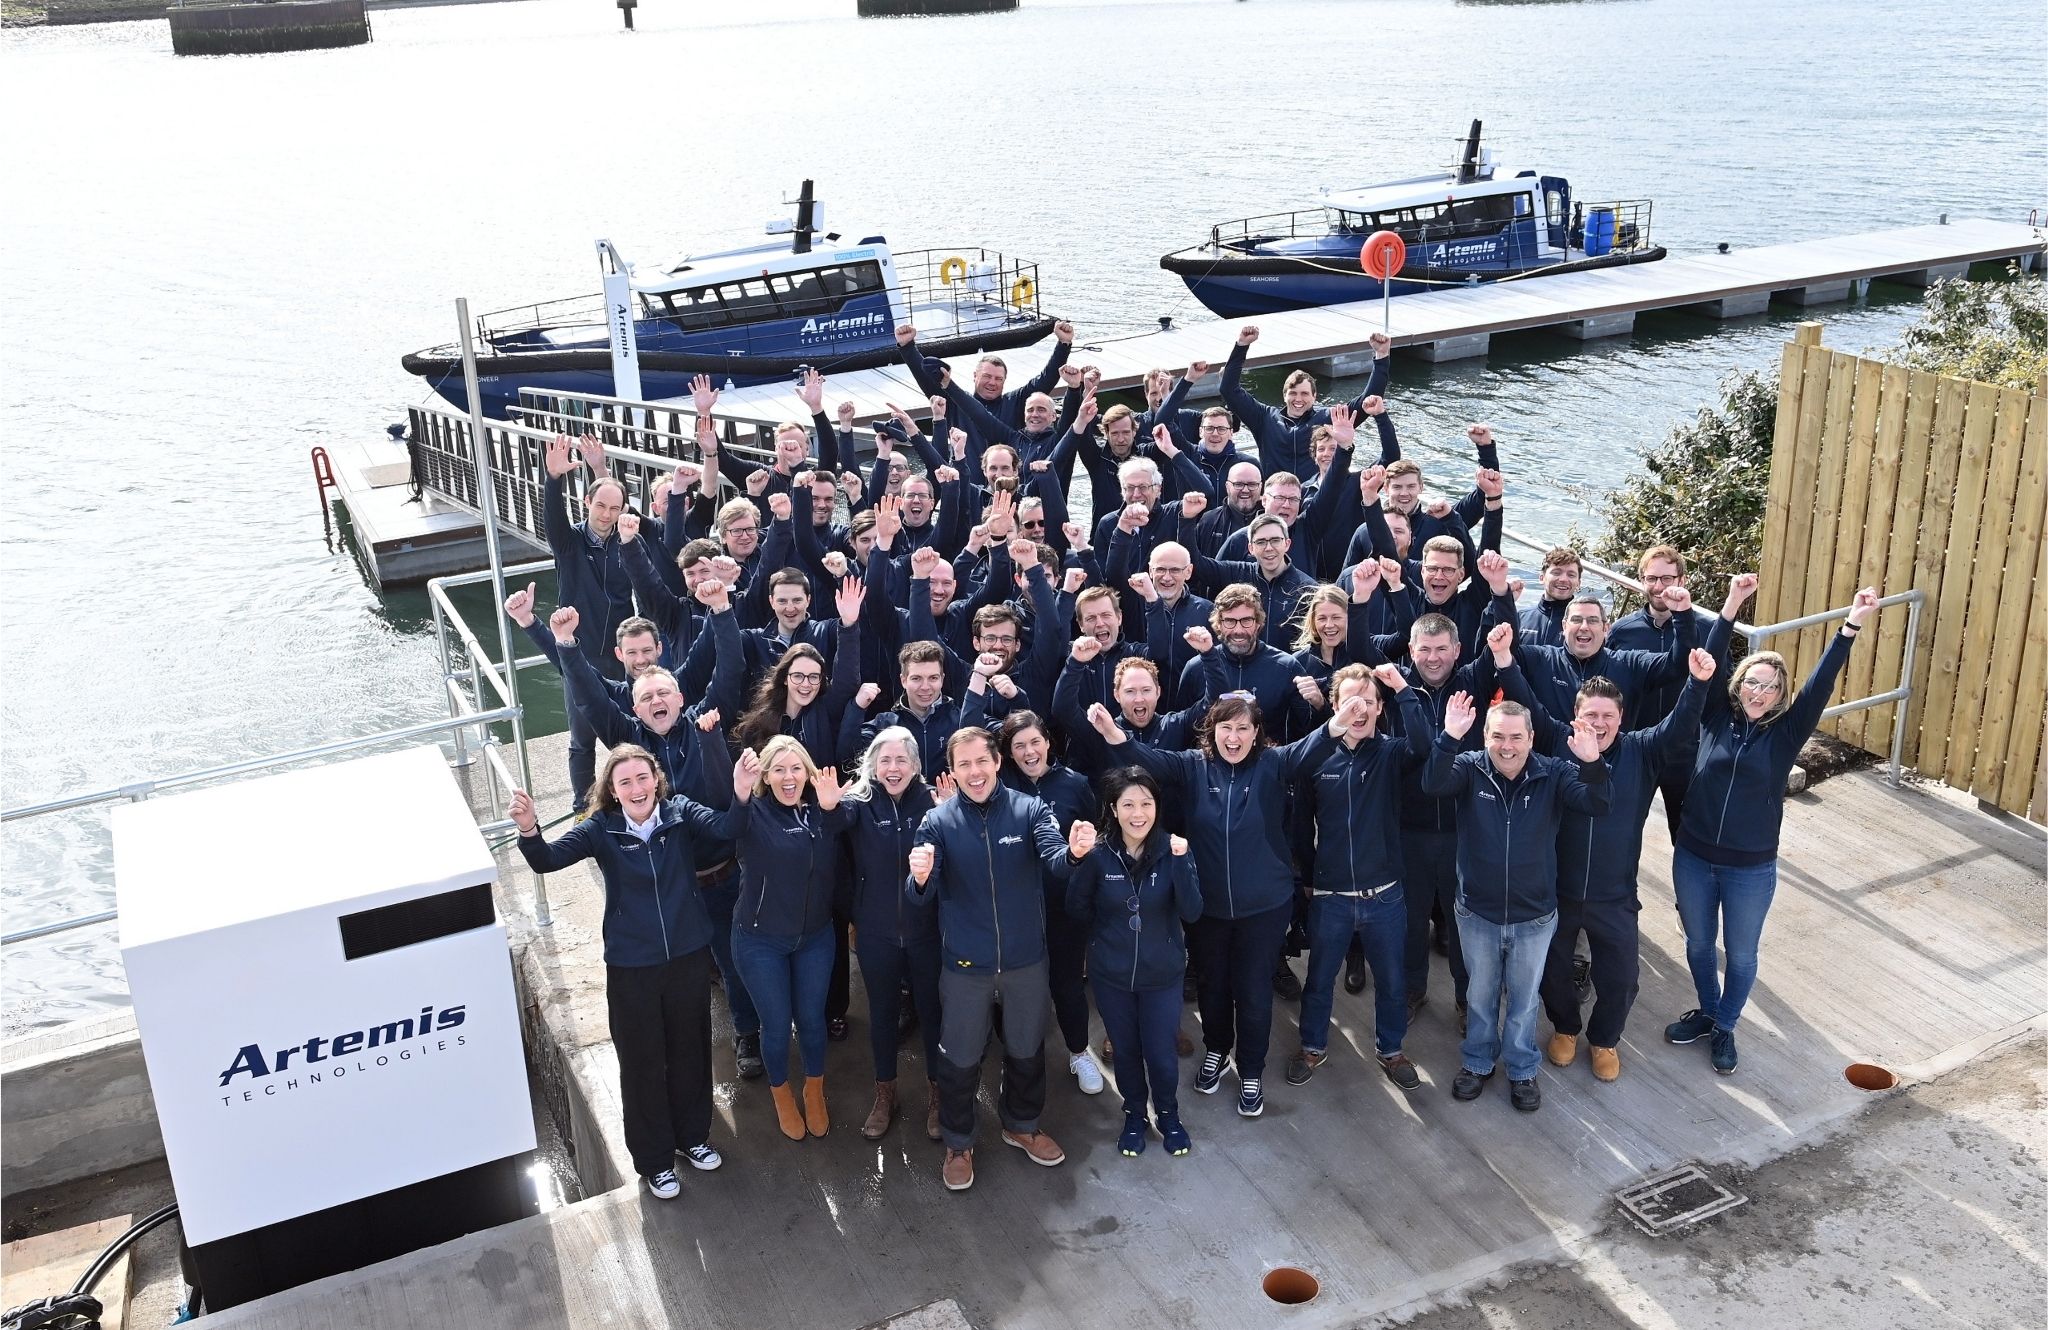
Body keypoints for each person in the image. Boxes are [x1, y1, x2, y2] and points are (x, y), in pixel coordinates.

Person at [1085, 690, 1367, 1118]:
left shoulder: (1274, 765)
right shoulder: (1193, 767)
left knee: (1253, 993)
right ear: (1211, 730)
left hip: (1264, 907)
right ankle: (1217, 1050)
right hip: (1209, 908)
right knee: (1214, 988)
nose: (1232, 737)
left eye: (1242, 729)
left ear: (1256, 734)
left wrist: (1342, 718)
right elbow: (1148, 758)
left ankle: (1250, 1069)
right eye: (1225, 728)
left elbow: (1314, 744)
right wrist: (1111, 732)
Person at [1666, 578, 1880, 1075]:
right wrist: (1733, 605)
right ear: (1738, 685)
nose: (1760, 692)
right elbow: (1706, 658)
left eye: (1771, 686)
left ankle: (1724, 1027)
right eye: (1752, 682)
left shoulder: (1785, 734)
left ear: (1781, 695)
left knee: (1740, 954)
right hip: (1694, 856)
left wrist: (1850, 626)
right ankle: (1705, 1010)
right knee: (1698, 944)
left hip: (1749, 868)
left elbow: (1820, 685)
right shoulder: (1715, 716)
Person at [511, 747, 734, 1200]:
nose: (636, 788)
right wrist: (531, 830)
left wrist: (744, 795)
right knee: (642, 1063)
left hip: (688, 957)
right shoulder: (601, 829)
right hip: (633, 967)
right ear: (612, 791)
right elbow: (547, 860)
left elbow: (728, 829)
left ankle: (693, 1137)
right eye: (625, 782)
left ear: (657, 779)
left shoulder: (680, 813)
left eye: (642, 778)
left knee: (691, 1050)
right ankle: (655, 1161)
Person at [1496, 649, 1716, 1081]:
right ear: (1576, 716)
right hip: (1557, 888)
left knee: (1622, 978)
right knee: (1553, 970)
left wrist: (1697, 682)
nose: (1598, 724)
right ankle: (1565, 1028)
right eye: (1590, 715)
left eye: (1607, 716)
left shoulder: (1643, 750)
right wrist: (1504, 659)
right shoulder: (1560, 742)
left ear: (1621, 717)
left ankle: (1604, 1039)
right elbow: (1529, 705)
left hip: (1614, 894)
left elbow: (1682, 723)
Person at [908, 728, 1094, 1191]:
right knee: (960, 1058)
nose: (974, 772)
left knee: (1028, 1047)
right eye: (963, 764)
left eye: (982, 762)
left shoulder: (1030, 810)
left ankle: (1022, 1125)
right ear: (952, 771)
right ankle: (958, 1141)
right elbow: (919, 895)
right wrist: (919, 878)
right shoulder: (937, 822)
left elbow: (1054, 857)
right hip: (965, 965)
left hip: (1025, 959)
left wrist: (1072, 854)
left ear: (996, 763)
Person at [1424, 696, 1610, 1113]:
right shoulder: (1469, 768)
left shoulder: (1556, 772)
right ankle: (1477, 1061)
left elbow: (1599, 804)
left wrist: (1593, 763)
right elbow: (1433, 784)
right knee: (1480, 995)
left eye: (1515, 737)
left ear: (1531, 738)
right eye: (1497, 737)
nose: (1506, 746)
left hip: (1534, 916)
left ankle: (1523, 1069)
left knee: (1525, 1001)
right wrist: (1448, 739)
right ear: (1485, 737)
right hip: (1478, 914)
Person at [1287, 663, 1431, 1090]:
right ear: (1335, 707)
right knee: (1318, 981)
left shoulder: (1391, 753)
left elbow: (1424, 746)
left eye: (1368, 701)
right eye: (1350, 701)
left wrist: (1404, 689)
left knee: (1391, 982)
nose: (1360, 709)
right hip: (1330, 896)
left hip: (1385, 896)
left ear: (1379, 707)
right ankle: (1313, 1045)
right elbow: (1299, 827)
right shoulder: (1317, 756)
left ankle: (1391, 1050)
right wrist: (1308, 879)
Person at [1065, 767, 1203, 1158]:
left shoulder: (1173, 848)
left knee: (1160, 1052)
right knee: (1125, 1051)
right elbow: (1076, 909)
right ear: (1113, 808)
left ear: (1157, 807)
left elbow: (1192, 912)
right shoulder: (1098, 853)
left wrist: (1181, 863)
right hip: (1112, 977)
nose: (1137, 813)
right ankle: (1133, 1114)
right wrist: (1077, 861)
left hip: (1162, 975)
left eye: (1146, 803)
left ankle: (1168, 1115)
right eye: (1128, 804)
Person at [724, 738, 851, 1141]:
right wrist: (739, 794)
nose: (788, 777)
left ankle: (814, 1088)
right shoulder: (752, 815)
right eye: (778, 769)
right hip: (761, 940)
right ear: (765, 776)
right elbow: (731, 825)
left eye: (796, 768)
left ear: (809, 772)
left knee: (813, 1019)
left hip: (815, 936)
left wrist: (833, 808)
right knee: (776, 1024)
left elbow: (845, 828)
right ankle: (781, 1093)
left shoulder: (822, 812)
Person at [839, 728, 946, 1141]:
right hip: (877, 933)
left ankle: (938, 1092)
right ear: (873, 765)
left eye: (902, 760)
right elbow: (830, 830)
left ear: (917, 765)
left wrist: (953, 809)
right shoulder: (860, 804)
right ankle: (886, 1092)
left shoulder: (934, 802)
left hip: (926, 933)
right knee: (881, 1014)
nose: (894, 767)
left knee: (933, 1013)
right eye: (885, 760)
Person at [995, 711, 1107, 1097]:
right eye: (1019, 745)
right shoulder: (998, 785)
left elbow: (1095, 843)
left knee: (1067, 985)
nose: (1029, 752)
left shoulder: (1075, 784)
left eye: (1035, 742)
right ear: (1007, 753)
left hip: (1064, 907)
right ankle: (1016, 1059)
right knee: (1014, 991)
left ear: (1048, 742)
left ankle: (1079, 1053)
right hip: (1014, 910)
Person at [541, 434, 635, 812]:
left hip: (620, 655)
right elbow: (553, 517)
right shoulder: (569, 543)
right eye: (600, 506)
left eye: (614, 508)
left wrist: (601, 468)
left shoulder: (627, 541)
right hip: (579, 658)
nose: (607, 514)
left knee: (628, 737)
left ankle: (632, 800)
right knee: (581, 741)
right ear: (586, 503)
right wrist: (553, 478)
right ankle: (583, 810)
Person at [1607, 544, 1717, 836]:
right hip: (1635, 748)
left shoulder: (1705, 630)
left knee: (1687, 834)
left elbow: (1722, 690)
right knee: (1622, 831)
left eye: (1667, 578)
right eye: (1652, 578)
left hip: (1685, 750)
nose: (1659, 587)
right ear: (1642, 580)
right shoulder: (1622, 631)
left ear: (1682, 580)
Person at [1217, 324, 1390, 479]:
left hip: (1316, 497)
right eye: (1293, 393)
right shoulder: (1264, 418)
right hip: (1277, 498)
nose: (1298, 399)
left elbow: (1370, 400)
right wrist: (1242, 345)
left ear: (1315, 397)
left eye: (1305, 394)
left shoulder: (1329, 418)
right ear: (1284, 396)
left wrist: (1381, 356)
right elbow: (1229, 389)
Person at [1517, 548, 1584, 649]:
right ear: (1542, 578)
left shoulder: (1585, 625)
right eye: (1556, 572)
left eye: (1571, 575)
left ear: (1579, 583)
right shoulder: (1520, 618)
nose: (1563, 579)